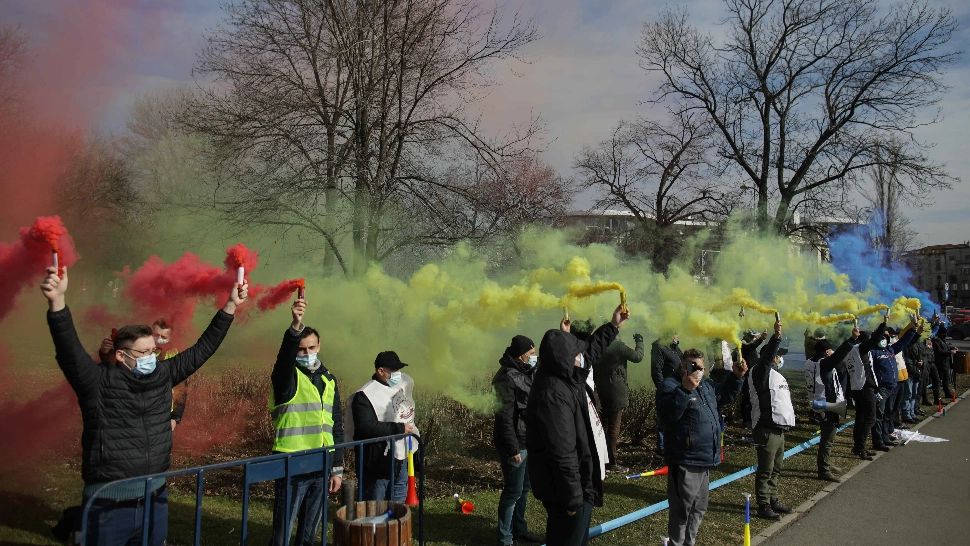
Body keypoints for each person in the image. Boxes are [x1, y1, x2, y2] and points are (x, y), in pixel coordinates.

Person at [41, 265, 247, 545]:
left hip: (155, 497)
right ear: (122, 355)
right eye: (144, 352)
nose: (152, 356)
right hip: (108, 503)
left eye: (153, 351)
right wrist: (57, 302)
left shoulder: (163, 375)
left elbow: (203, 349)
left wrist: (231, 305)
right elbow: (68, 350)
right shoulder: (97, 382)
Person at [526, 305, 628, 546]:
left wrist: (613, 326)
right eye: (575, 353)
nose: (582, 357)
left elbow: (591, 352)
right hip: (568, 494)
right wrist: (573, 499)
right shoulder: (553, 394)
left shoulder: (566, 376)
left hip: (577, 488)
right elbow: (563, 453)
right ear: (564, 359)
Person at [268, 298, 344, 546]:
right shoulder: (286, 379)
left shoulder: (329, 380)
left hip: (321, 466)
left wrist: (337, 468)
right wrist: (295, 328)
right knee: (283, 533)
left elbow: (336, 426)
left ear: (319, 346)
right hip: (292, 465)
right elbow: (283, 361)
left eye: (311, 348)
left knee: (309, 533)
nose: (307, 354)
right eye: (301, 349)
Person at [657, 348, 747, 546]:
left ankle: (689, 543)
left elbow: (723, 397)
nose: (697, 370)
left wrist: (736, 378)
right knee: (682, 512)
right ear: (682, 366)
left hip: (705, 458)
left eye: (700, 366)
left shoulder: (706, 384)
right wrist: (685, 389)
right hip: (685, 459)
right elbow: (667, 416)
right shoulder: (670, 385)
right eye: (692, 365)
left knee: (698, 509)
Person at [492, 335, 543, 546]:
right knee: (513, 491)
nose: (534, 356)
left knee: (524, 489)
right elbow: (504, 417)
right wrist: (513, 448)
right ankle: (505, 538)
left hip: (528, 440)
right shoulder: (506, 378)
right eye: (531, 353)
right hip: (516, 445)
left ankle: (519, 529)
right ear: (521, 355)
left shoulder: (526, 371)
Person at [349, 351, 419, 502]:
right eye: (393, 371)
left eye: (399, 370)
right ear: (380, 371)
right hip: (377, 462)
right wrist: (399, 429)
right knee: (376, 502)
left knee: (399, 495)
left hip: (400, 455)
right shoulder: (364, 395)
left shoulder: (400, 386)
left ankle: (395, 523)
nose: (398, 374)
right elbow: (366, 428)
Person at [745, 317, 790, 520]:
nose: (778, 358)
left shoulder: (776, 375)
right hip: (766, 428)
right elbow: (766, 358)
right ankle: (763, 504)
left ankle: (773, 499)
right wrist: (776, 337)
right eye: (776, 356)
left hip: (779, 429)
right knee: (766, 469)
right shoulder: (759, 371)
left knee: (777, 469)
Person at [804, 333, 854, 482]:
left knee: (826, 438)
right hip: (826, 405)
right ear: (827, 352)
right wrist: (851, 340)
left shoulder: (809, 362)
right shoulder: (824, 364)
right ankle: (824, 469)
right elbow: (838, 357)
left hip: (816, 403)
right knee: (828, 439)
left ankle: (825, 463)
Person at [594, 331, 645, 472]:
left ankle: (601, 461)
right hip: (616, 393)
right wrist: (639, 341)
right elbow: (638, 357)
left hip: (599, 391)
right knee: (613, 430)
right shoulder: (618, 346)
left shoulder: (596, 346)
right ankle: (612, 463)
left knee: (602, 429)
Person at [869, 319, 919, 451]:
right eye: (882, 337)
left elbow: (903, 343)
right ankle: (878, 441)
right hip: (881, 389)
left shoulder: (890, 350)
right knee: (879, 415)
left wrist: (913, 329)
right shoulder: (873, 352)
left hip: (892, 387)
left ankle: (885, 436)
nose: (885, 339)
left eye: (886, 338)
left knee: (888, 412)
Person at [650, 335, 682, 455]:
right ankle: (662, 448)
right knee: (664, 420)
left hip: (677, 388)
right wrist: (663, 388)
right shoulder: (658, 346)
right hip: (667, 389)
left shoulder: (674, 347)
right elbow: (656, 371)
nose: (677, 335)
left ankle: (672, 446)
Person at [931, 323, 957, 401]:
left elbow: (946, 347)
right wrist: (950, 352)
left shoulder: (943, 340)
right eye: (944, 334)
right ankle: (937, 397)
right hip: (940, 364)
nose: (945, 335)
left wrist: (952, 348)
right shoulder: (936, 341)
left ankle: (947, 393)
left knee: (946, 379)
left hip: (946, 363)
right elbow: (939, 351)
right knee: (938, 381)